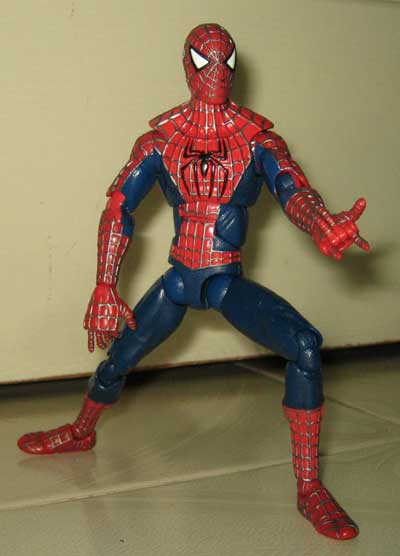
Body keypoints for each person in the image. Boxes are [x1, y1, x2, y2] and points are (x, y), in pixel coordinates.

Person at [18, 23, 369, 540]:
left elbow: (292, 188)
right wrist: (104, 284)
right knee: (118, 358)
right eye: (206, 61)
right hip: (181, 278)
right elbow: (119, 206)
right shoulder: (160, 141)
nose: (218, 72)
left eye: (227, 61)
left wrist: (320, 222)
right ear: (188, 66)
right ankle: (81, 429)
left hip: (224, 280)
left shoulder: (259, 141)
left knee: (305, 346)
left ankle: (309, 486)